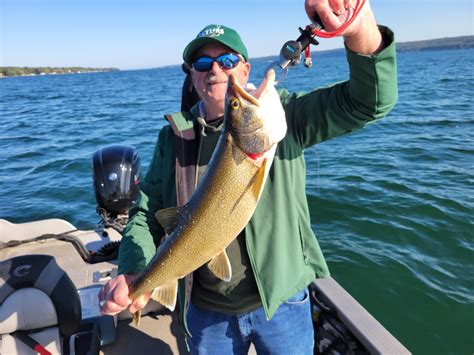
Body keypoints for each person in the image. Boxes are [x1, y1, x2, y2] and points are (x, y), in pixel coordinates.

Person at [99, 0, 398, 353]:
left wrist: (359, 29)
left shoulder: (282, 115)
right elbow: (146, 214)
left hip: (282, 303)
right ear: (192, 74)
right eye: (202, 62)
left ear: (244, 69)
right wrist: (133, 269)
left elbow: (368, 103)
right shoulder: (174, 138)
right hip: (206, 313)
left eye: (226, 61)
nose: (215, 70)